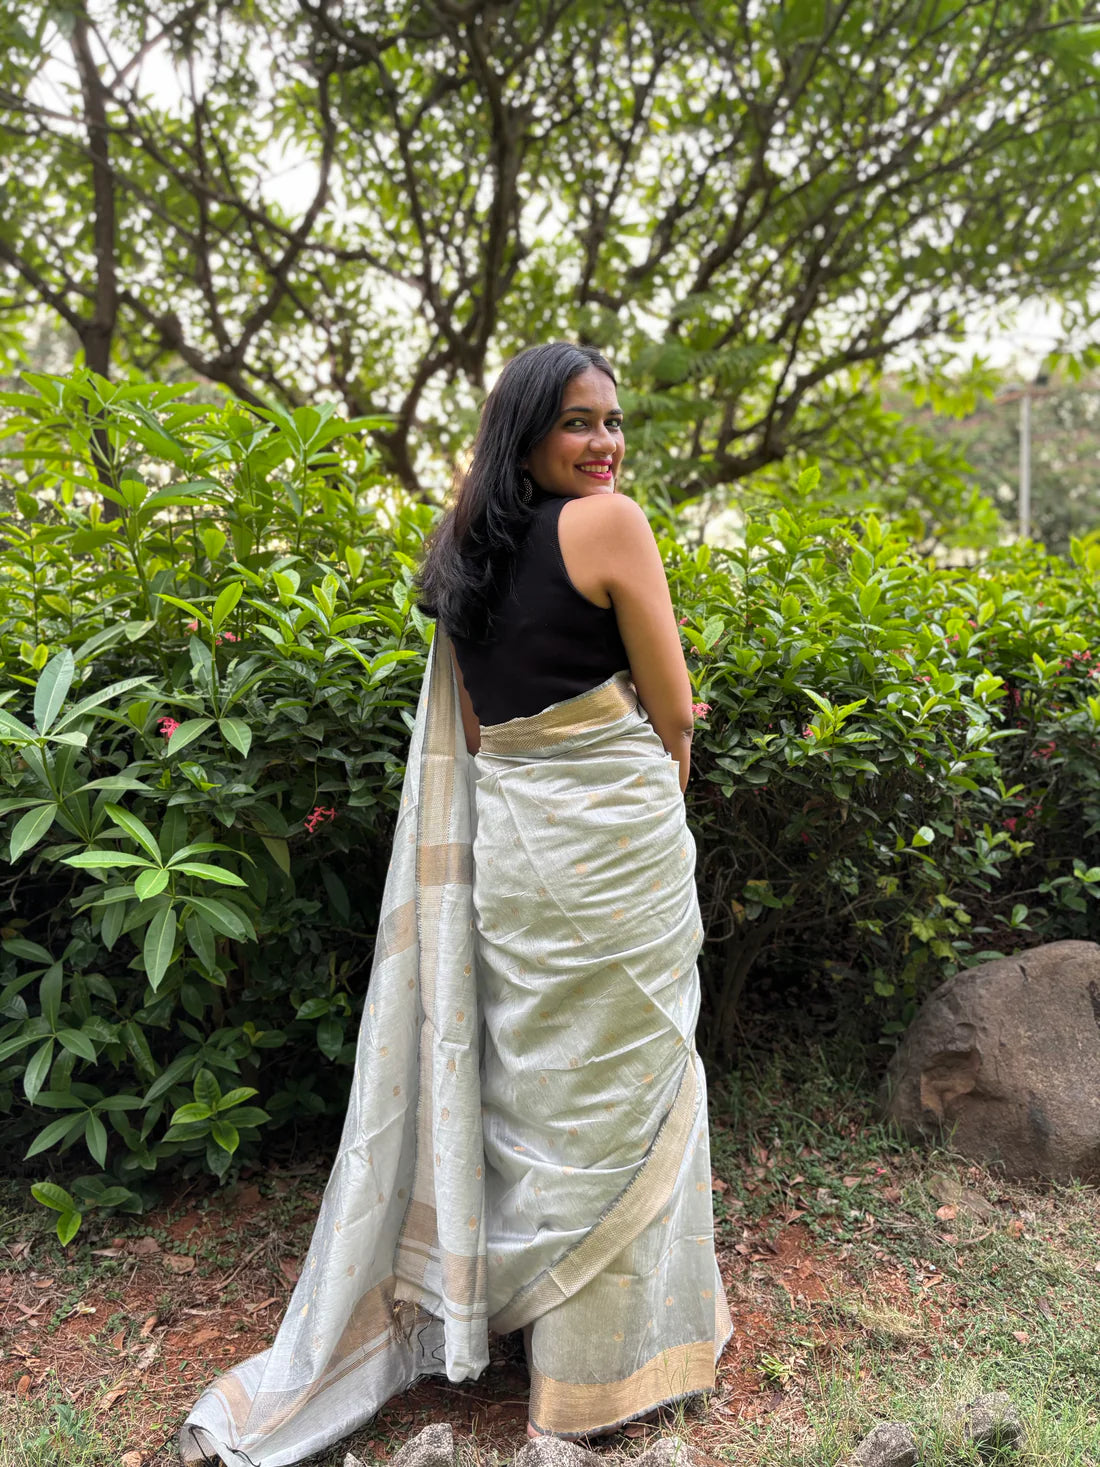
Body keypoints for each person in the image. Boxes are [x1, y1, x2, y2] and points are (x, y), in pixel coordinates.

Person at [180, 343, 730, 1467]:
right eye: (579, 421)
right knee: (627, 1086)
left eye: (613, 421)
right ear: (526, 433)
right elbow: (675, 708)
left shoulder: (464, 551)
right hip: (614, 843)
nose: (606, 444)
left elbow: (478, 733)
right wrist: (657, 761)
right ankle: (602, 1372)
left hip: (518, 850)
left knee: (544, 1091)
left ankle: (544, 1344)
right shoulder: (611, 526)